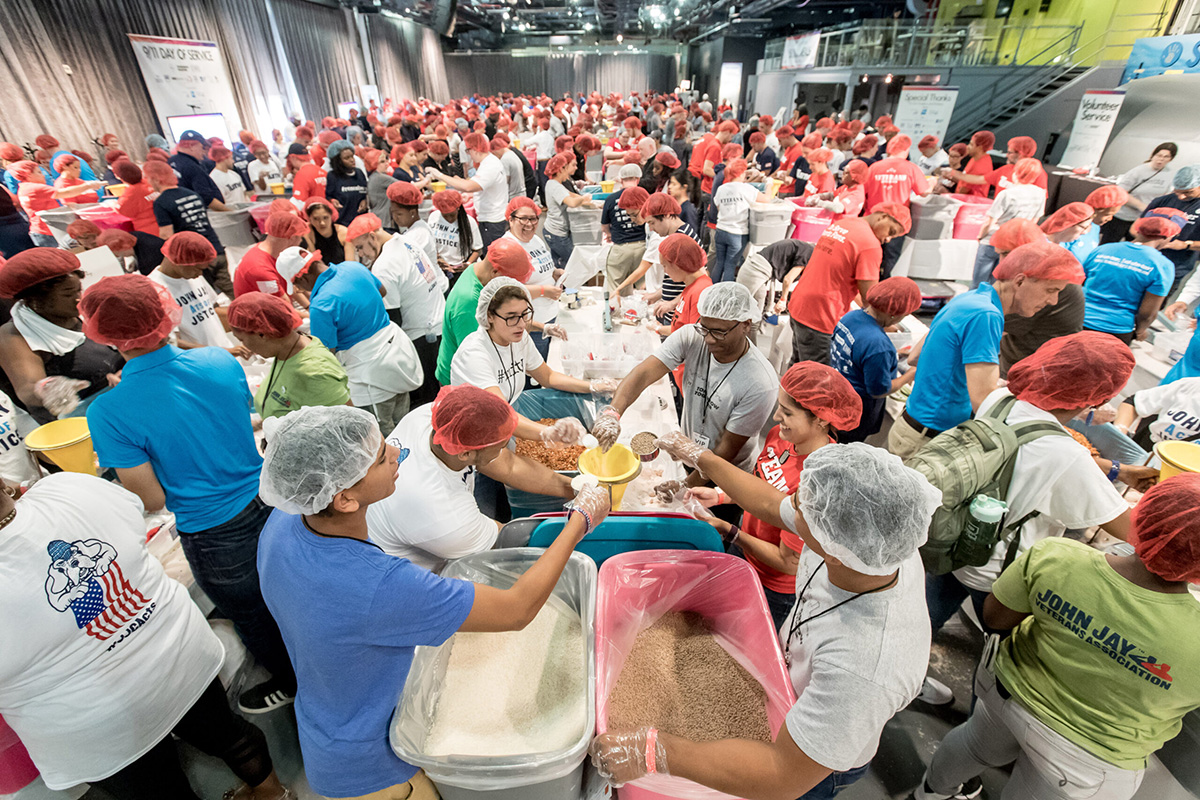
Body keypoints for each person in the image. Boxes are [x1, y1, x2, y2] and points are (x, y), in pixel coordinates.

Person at [256, 404, 609, 799]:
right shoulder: (381, 585)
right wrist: (579, 521)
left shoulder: (283, 524)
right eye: (378, 459)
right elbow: (518, 609)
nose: (395, 451)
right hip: (378, 766)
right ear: (344, 499)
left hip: (326, 727)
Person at [591, 441, 941, 800]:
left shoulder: (865, 667)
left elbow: (782, 776)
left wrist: (656, 751)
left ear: (833, 552)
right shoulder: (864, 544)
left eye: (803, 509)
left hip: (814, 764)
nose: (793, 502)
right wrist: (702, 458)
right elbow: (771, 504)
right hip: (788, 688)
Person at [0, 472, 292, 800]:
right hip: (177, 653)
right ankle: (274, 792)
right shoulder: (65, 489)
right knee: (227, 733)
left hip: (95, 723)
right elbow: (133, 515)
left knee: (160, 791)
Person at [81, 274, 296, 714]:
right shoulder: (219, 361)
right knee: (293, 591)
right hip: (270, 502)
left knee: (255, 616)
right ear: (165, 316)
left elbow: (153, 499)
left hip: (216, 532)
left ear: (106, 335)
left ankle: (292, 683)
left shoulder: (109, 411)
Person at [914, 472, 1200, 800]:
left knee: (974, 746)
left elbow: (994, 617)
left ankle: (931, 793)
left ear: (1144, 514)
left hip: (1009, 692)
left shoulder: (1057, 556)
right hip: (1091, 757)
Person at [686, 362, 863, 629]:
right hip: (743, 548)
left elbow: (788, 562)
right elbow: (760, 484)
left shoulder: (819, 481)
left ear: (821, 419)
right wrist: (720, 496)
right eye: (779, 406)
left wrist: (729, 530)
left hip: (773, 585)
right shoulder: (780, 438)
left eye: (788, 412)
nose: (777, 416)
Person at [888, 243, 1085, 459]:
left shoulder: (970, 298)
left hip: (911, 425)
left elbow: (916, 356)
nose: (1053, 301)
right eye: (1051, 290)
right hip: (926, 439)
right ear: (1020, 281)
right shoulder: (986, 315)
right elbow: (984, 401)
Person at [365, 384, 573, 570]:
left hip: (425, 532)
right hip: (411, 573)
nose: (505, 447)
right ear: (466, 454)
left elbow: (509, 467)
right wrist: (574, 526)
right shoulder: (444, 512)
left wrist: (574, 487)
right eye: (501, 445)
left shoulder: (436, 419)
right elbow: (506, 542)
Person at [592, 283, 777, 483]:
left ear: (745, 325)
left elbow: (726, 451)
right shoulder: (693, 335)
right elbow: (643, 374)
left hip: (728, 478)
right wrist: (612, 413)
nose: (709, 339)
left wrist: (685, 486)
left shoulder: (760, 382)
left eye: (719, 332)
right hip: (690, 457)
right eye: (704, 327)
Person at [275, 247, 422, 433]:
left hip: (370, 375)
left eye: (298, 286)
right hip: (397, 354)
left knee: (383, 433)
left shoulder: (322, 305)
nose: (301, 290)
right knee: (405, 423)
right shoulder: (354, 268)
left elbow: (326, 354)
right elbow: (381, 291)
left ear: (302, 278)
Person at [450, 279, 602, 438]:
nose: (522, 324)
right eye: (512, 317)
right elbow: (500, 414)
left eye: (524, 314)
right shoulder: (474, 355)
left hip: (511, 412)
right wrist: (548, 433)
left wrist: (593, 386)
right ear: (490, 316)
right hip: (480, 430)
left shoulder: (517, 337)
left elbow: (548, 377)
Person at [0, 249, 123, 424]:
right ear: (35, 299)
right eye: (67, 294)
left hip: (119, 400)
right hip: (82, 421)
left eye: (78, 290)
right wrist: (48, 390)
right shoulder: (15, 335)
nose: (78, 299)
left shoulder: (81, 310)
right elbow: (27, 387)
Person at [787, 205, 911, 366]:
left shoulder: (842, 225)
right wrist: (888, 324)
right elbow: (870, 298)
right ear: (882, 217)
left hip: (800, 304)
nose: (888, 239)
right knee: (818, 381)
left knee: (797, 369)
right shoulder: (870, 245)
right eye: (891, 232)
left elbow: (842, 279)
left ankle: (785, 392)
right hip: (823, 315)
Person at [347, 212, 444, 408]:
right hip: (437, 323)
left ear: (372, 237)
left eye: (360, 247)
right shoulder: (407, 241)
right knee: (437, 394)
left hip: (421, 336)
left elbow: (392, 320)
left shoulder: (384, 266)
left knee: (426, 404)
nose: (361, 254)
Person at [228, 292, 349, 420]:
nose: (244, 346)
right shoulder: (284, 352)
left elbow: (350, 425)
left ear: (262, 334)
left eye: (242, 339)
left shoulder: (314, 372)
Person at [831, 277, 922, 443]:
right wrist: (911, 374)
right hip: (856, 413)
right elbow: (879, 390)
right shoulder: (878, 346)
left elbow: (856, 350)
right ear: (894, 315)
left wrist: (891, 355)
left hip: (836, 396)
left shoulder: (851, 317)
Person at [436, 237, 533, 385]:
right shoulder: (467, 302)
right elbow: (473, 360)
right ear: (495, 272)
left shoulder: (476, 270)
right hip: (462, 382)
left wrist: (542, 327)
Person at [1081, 213, 1180, 344]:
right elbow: (1148, 312)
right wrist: (1140, 330)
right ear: (1167, 237)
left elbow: (1079, 281)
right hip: (1115, 329)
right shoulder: (1162, 266)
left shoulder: (1103, 249)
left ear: (1138, 230)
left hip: (1078, 319)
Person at [145, 160, 233, 297]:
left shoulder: (161, 202)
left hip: (194, 258)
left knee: (209, 299)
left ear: (155, 179)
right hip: (215, 247)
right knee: (232, 292)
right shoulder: (192, 194)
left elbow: (166, 235)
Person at [148, 232, 245, 352]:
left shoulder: (192, 276)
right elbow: (171, 341)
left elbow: (212, 312)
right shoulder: (155, 289)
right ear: (178, 261)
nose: (200, 274)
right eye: (198, 269)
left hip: (224, 353)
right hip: (200, 361)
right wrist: (217, 351)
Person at [501, 197, 563, 361]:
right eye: (523, 219)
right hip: (530, 324)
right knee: (532, 373)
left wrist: (555, 272)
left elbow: (541, 267)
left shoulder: (535, 240)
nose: (529, 224)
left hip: (549, 315)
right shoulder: (508, 247)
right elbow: (506, 290)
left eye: (533, 218)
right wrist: (543, 291)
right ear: (511, 219)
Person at [972, 157, 1047, 287]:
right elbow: (1034, 220)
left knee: (978, 283)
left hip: (993, 239)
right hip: (1016, 244)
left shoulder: (1007, 194)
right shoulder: (1040, 193)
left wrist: (980, 236)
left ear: (1016, 172)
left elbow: (990, 221)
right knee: (999, 284)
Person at [6, 161, 104, 247]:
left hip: (42, 231)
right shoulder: (34, 188)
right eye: (39, 172)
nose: (43, 175)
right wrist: (88, 186)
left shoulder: (24, 188)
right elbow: (65, 193)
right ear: (28, 175)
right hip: (47, 231)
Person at [1141, 164, 1200, 293]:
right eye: (1177, 191)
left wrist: (1185, 245)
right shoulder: (1162, 201)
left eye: (1188, 192)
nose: (1181, 197)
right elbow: (1136, 228)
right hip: (1144, 262)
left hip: (1176, 267)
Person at [1103, 142, 1178, 243]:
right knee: (1109, 243)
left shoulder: (1169, 174)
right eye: (1159, 155)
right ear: (1153, 155)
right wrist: (1141, 206)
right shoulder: (1139, 171)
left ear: (1171, 159)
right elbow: (1121, 192)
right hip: (1122, 216)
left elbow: (1166, 195)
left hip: (1142, 219)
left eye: (1166, 157)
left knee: (1136, 246)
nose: (1161, 159)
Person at [711, 159, 769, 284]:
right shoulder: (746, 189)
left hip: (721, 230)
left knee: (719, 262)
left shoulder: (721, 189)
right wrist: (769, 185)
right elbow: (766, 199)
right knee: (730, 265)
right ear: (742, 173)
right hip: (737, 233)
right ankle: (725, 295)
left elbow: (718, 207)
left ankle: (711, 290)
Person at [234, 210, 309, 302]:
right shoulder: (260, 269)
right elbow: (284, 308)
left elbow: (291, 285)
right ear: (292, 238)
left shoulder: (271, 252)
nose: (301, 242)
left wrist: (308, 306)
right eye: (300, 237)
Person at [543, 153, 594, 269]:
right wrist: (584, 198)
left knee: (560, 265)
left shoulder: (553, 184)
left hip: (553, 231)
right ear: (561, 169)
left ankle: (561, 286)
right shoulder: (555, 186)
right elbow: (572, 202)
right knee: (574, 263)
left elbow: (571, 195)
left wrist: (591, 202)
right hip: (557, 233)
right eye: (568, 167)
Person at [601, 185, 650, 296]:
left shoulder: (656, 232)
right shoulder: (648, 226)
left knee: (615, 288)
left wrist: (618, 289)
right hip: (641, 247)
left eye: (634, 215)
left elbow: (604, 227)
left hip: (621, 249)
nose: (632, 220)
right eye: (629, 216)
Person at [1063, 185, 1129, 263]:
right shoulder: (1072, 227)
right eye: (1107, 214)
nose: (1110, 219)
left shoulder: (1095, 227)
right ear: (1097, 210)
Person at [168, 130, 230, 212]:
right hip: (198, 212)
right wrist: (229, 211)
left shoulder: (170, 162)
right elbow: (206, 197)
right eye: (202, 147)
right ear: (191, 146)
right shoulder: (192, 167)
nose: (204, 152)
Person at [427, 188, 483, 279]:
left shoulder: (470, 222)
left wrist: (468, 264)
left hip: (460, 269)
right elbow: (431, 243)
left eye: (452, 215)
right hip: (440, 268)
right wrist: (438, 259)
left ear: (458, 209)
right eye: (445, 216)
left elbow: (478, 249)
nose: (449, 219)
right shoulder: (433, 217)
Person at [386, 182, 438, 267]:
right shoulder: (417, 227)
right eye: (392, 213)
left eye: (399, 214)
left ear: (412, 212)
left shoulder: (418, 234)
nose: (395, 217)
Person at [324, 140, 369, 227]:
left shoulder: (359, 173)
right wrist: (332, 201)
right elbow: (328, 196)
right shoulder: (333, 176)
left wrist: (365, 201)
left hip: (361, 223)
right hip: (342, 224)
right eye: (346, 158)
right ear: (338, 161)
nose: (352, 160)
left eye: (352, 156)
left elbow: (365, 192)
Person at [111, 160, 160, 235]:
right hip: (166, 224)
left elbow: (124, 211)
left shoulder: (131, 193)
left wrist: (113, 205)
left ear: (117, 175)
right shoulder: (149, 182)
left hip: (149, 231)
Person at [302, 197, 354, 266]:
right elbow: (316, 265)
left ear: (331, 216)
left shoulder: (343, 232)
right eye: (316, 219)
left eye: (325, 218)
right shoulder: (308, 233)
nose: (322, 223)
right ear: (309, 219)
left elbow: (351, 264)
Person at [942, 130, 995, 198]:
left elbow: (964, 190)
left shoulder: (980, 167)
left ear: (980, 147)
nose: (967, 147)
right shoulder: (977, 158)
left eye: (971, 144)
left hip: (969, 202)